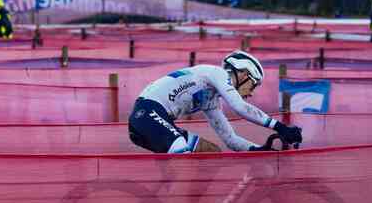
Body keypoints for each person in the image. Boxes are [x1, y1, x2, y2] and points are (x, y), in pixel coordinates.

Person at [128, 50, 303, 154]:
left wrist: (258, 150)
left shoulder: (209, 99)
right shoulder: (216, 73)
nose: (251, 92)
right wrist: (281, 127)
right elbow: (240, 108)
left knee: (211, 152)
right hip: (147, 113)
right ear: (243, 74)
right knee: (181, 153)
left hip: (158, 120)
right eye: (253, 84)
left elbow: (231, 140)